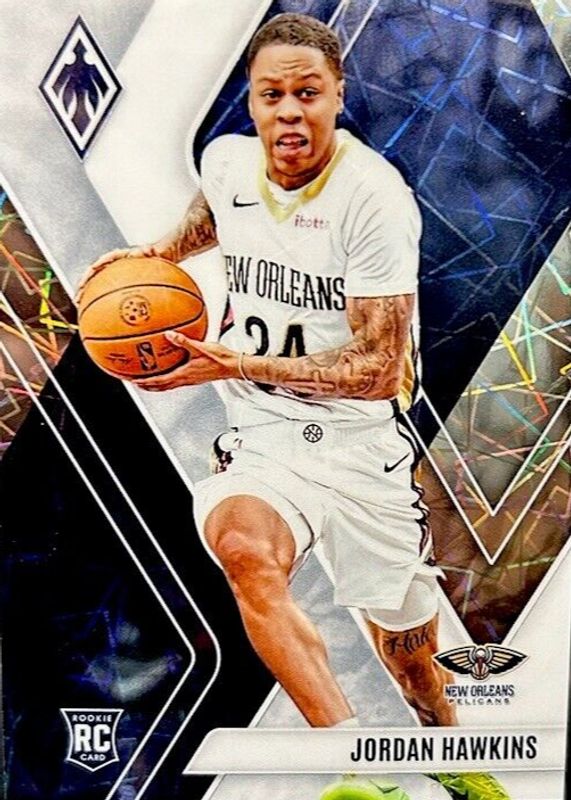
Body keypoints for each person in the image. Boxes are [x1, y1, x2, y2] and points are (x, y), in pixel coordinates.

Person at [78, 14, 510, 800]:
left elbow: (376, 371)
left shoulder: (373, 200)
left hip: (358, 445)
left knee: (409, 655)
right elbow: (216, 213)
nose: (287, 111)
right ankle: (357, 770)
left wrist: (233, 362)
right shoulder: (228, 162)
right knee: (246, 553)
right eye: (269, 94)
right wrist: (153, 257)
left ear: (337, 95)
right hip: (263, 435)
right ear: (250, 99)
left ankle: (446, 749)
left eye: (306, 93)